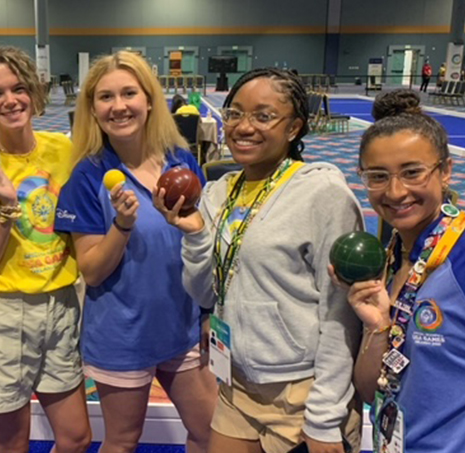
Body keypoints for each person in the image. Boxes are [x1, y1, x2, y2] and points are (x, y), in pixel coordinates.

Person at [155, 67, 364, 453]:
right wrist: (196, 233)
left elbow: (340, 316)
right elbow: (204, 292)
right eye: (234, 113)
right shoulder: (219, 192)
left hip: (302, 392)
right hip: (236, 384)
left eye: (264, 116)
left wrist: (324, 416)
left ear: (294, 128)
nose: (243, 126)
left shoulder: (323, 194)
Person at [334, 89, 465, 453]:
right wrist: (377, 327)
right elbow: (369, 390)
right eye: (377, 176)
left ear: (446, 170)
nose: (395, 191)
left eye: (412, 173)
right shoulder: (388, 258)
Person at [54, 51, 217, 453]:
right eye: (105, 97)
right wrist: (122, 225)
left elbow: (201, 239)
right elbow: (91, 271)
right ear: (92, 109)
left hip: (183, 327)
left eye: (129, 93)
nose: (119, 106)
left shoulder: (181, 162)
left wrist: (210, 311)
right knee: (123, 441)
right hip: (122, 334)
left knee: (210, 431)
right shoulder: (88, 176)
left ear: (149, 100)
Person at [0, 46, 91, 453]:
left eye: (19, 88)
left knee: (77, 438)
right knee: (13, 446)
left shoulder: (64, 151)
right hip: (4, 314)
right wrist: (6, 209)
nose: (10, 100)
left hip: (62, 305)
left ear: (35, 93)